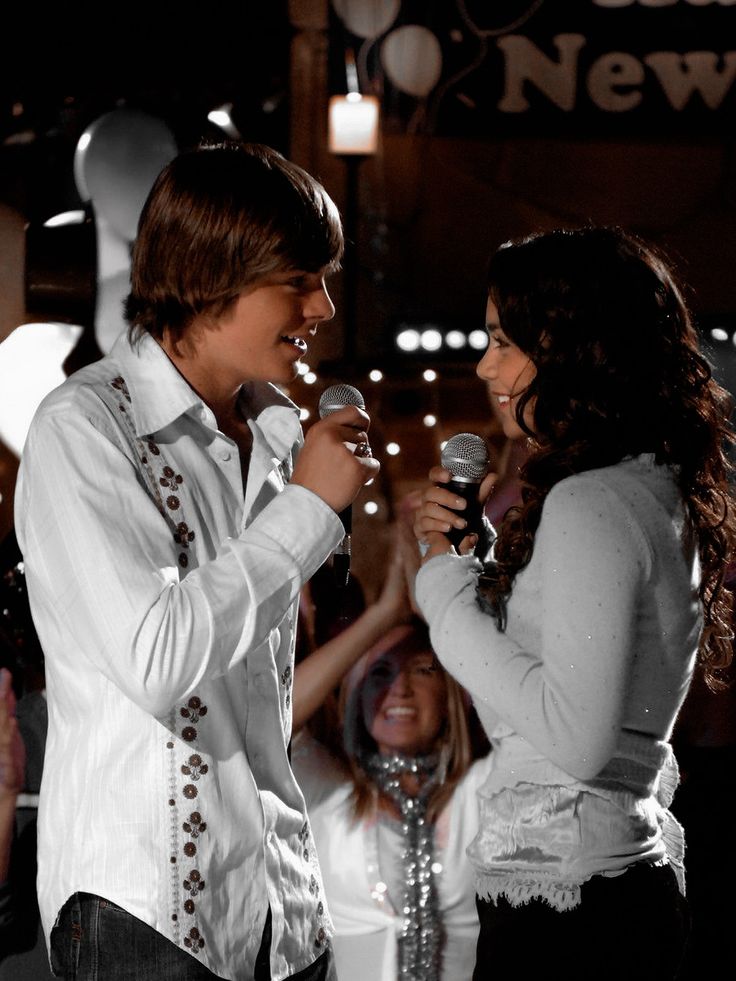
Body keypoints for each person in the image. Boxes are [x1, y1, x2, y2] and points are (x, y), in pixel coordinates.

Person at [14, 141, 380, 981]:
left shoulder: (282, 429)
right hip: (144, 912)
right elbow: (157, 658)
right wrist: (310, 509)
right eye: (298, 280)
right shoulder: (85, 428)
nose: (323, 307)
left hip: (282, 906)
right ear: (211, 277)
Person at [412, 225, 736, 980]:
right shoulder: (634, 486)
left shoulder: (593, 500)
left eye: (504, 340)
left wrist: (439, 586)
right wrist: (478, 566)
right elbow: (523, 716)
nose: (484, 364)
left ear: (571, 349)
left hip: (578, 918)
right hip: (592, 894)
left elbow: (577, 740)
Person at [292, 538, 493, 981]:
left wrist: (445, 612)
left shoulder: (482, 792)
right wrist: (382, 614)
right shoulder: (327, 791)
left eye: (423, 669)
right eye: (380, 671)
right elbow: (278, 720)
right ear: (358, 695)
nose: (399, 689)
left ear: (452, 694)